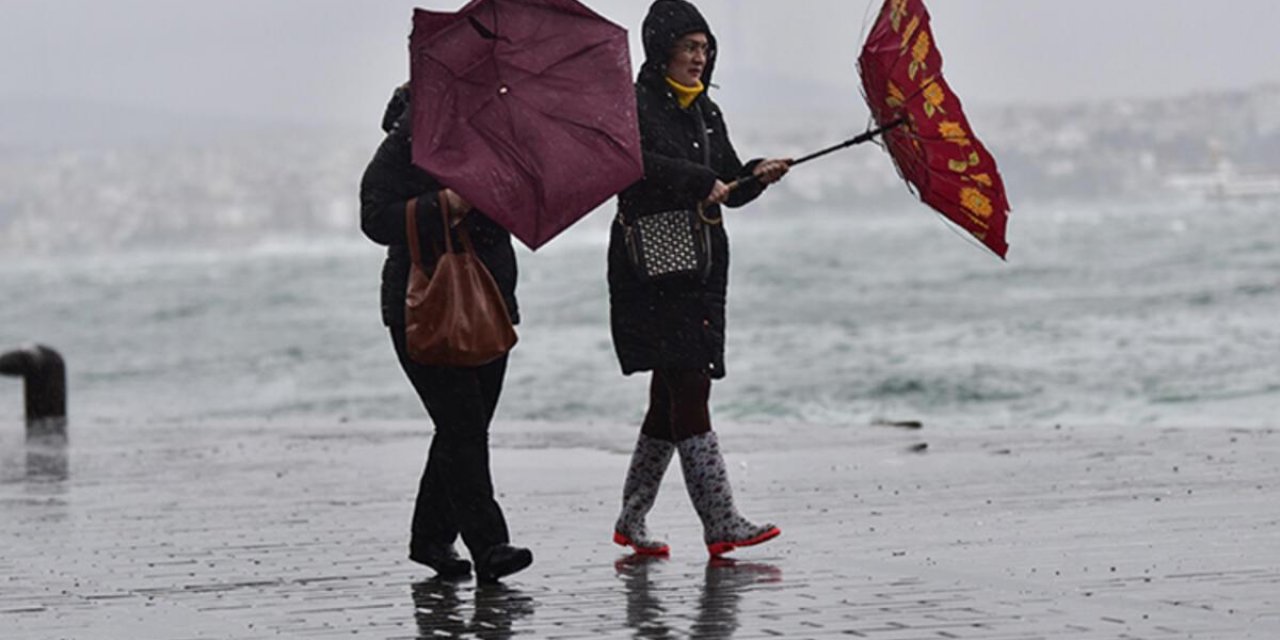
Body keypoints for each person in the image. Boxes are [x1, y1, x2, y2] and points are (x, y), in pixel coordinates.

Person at [609, 0, 790, 557]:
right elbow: (631, 165)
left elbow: (727, 184)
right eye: (690, 47)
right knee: (690, 385)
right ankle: (720, 520)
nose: (699, 57)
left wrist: (756, 176)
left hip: (701, 266)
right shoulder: (634, 104)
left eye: (705, 48)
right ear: (663, 49)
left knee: (669, 395)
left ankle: (630, 520)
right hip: (651, 271)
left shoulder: (707, 112)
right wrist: (696, 180)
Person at [360, 83, 532, 583]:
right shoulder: (410, 135)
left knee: (465, 427)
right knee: (462, 425)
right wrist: (446, 203)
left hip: (490, 301)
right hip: (423, 306)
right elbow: (374, 216)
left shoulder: (500, 137)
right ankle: (490, 546)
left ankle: (430, 537)